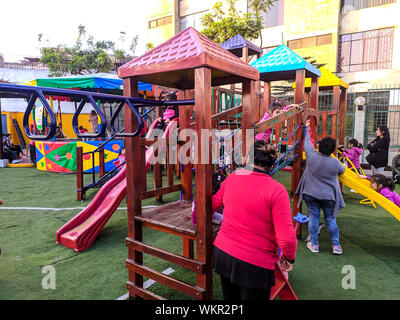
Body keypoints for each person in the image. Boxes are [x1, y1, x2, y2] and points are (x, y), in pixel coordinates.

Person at [212, 140, 297, 300]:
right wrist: (289, 258)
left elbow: (213, 204)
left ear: (248, 159)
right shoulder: (277, 191)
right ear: (272, 165)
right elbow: (286, 238)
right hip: (254, 263)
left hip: (224, 254)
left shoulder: (233, 177)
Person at [296, 119, 345, 255]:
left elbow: (306, 142)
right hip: (328, 196)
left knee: (314, 218)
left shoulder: (312, 155)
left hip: (311, 194)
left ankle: (315, 244)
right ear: (333, 150)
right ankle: (336, 246)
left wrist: (306, 127)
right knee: (330, 220)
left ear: (319, 146)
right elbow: (343, 171)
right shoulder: (335, 163)